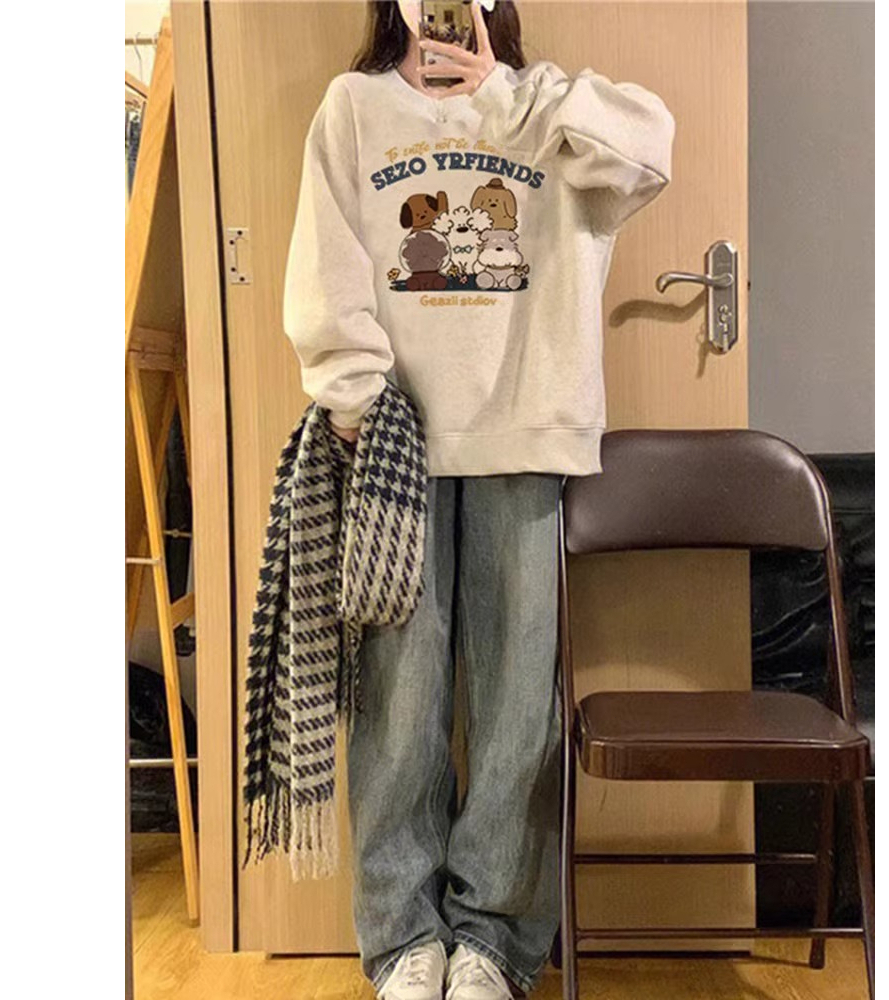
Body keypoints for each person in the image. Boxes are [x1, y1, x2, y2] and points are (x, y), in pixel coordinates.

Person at [282, 2, 675, 997]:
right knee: (398, 709)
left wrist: (511, 91)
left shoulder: (548, 109)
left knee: (512, 714)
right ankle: (403, 940)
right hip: (394, 446)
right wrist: (354, 392)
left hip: (525, 434)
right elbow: (326, 261)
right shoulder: (354, 107)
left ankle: (493, 942)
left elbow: (649, 151)